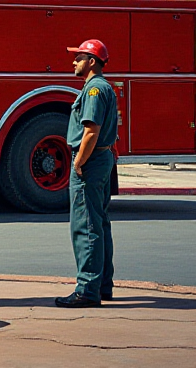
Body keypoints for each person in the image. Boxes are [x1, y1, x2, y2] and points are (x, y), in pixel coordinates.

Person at [55, 39, 119, 308]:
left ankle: (87, 289)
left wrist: (79, 162)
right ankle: (103, 285)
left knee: (86, 225)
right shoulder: (104, 88)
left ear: (92, 61)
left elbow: (91, 131)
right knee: (100, 222)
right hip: (103, 158)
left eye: (79, 57)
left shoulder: (93, 90)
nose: (74, 62)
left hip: (90, 162)